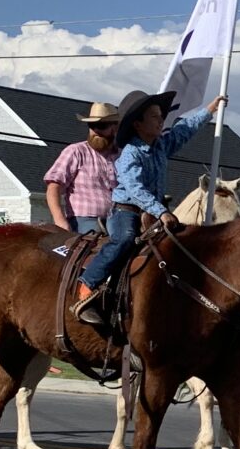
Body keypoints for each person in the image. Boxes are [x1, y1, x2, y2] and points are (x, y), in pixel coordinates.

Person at [75, 87, 225, 327]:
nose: (161, 120)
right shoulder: (130, 154)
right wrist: (161, 211)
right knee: (124, 239)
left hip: (154, 212)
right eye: (155, 116)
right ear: (137, 124)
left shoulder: (161, 146)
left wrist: (209, 110)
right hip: (126, 210)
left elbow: (183, 131)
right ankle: (88, 285)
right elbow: (135, 190)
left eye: (160, 116)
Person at [44, 101, 120, 234]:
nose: (96, 130)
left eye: (101, 125)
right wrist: (60, 221)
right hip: (84, 220)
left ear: (115, 127)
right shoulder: (76, 151)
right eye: (92, 125)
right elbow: (53, 187)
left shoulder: (122, 155)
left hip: (119, 220)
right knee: (99, 246)